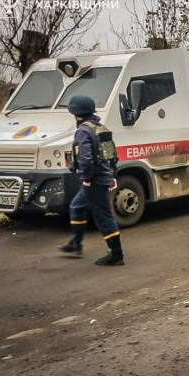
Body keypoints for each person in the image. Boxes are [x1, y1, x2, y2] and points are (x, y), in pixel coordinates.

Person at [58, 95, 125, 266]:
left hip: (94, 180)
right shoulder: (99, 127)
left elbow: (86, 159)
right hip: (102, 177)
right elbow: (112, 155)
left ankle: (116, 255)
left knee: (104, 217)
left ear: (76, 113)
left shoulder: (83, 131)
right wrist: (112, 176)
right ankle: (76, 243)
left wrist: (87, 178)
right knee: (76, 206)